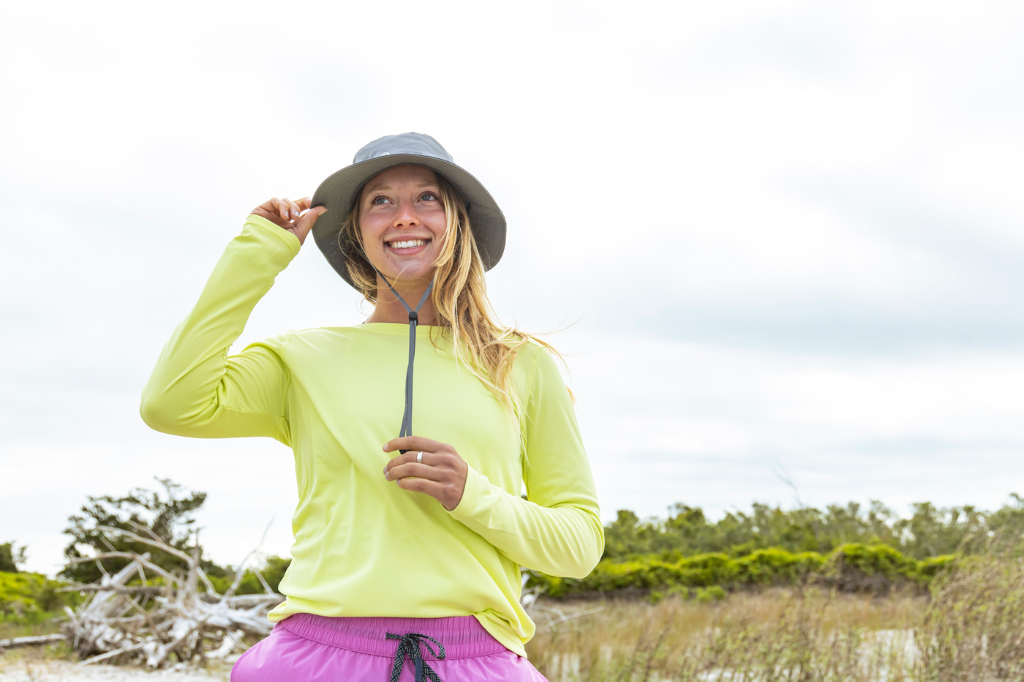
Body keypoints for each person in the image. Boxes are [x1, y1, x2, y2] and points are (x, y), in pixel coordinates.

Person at [140, 132, 604, 681]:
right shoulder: (302, 358)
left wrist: (471, 494)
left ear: (458, 223)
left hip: (473, 660)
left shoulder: (520, 364)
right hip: (314, 657)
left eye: (426, 198)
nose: (404, 216)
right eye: (380, 201)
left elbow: (578, 546)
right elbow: (171, 404)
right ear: (356, 235)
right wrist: (257, 255)